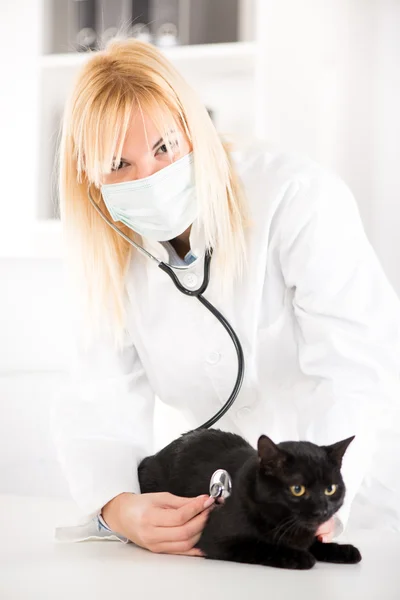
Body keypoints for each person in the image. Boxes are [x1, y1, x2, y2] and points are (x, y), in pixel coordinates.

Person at [51, 37, 400, 555]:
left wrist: (317, 513)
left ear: (197, 130)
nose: (148, 176)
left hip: (355, 507)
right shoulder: (112, 255)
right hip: (242, 517)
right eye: (118, 163)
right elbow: (96, 398)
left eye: (164, 146)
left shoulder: (297, 200)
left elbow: (356, 370)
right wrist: (119, 506)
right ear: (89, 176)